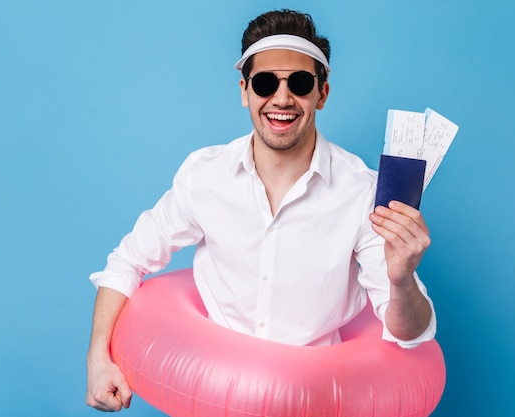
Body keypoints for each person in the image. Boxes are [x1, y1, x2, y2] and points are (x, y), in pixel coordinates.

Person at [86, 9, 436, 412]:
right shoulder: (205, 175)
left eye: (301, 83)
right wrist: (97, 359)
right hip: (212, 398)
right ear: (244, 91)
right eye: (266, 82)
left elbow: (410, 335)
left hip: (315, 400)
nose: (282, 99)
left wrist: (402, 279)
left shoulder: (362, 192)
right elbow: (127, 262)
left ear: (322, 94)